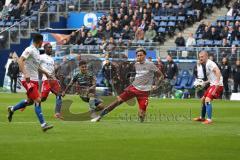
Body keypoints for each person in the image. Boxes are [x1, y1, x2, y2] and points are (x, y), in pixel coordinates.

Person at [91, 48, 163, 123]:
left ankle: (141, 123)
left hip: (144, 93)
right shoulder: (136, 64)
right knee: (117, 102)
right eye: (137, 55)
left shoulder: (150, 65)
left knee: (141, 115)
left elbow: (161, 76)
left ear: (145, 55)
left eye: (140, 55)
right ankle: (99, 116)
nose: (139, 57)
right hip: (133, 88)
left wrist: (156, 85)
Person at [7, 33, 53, 132]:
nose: (42, 43)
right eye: (42, 42)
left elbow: (38, 67)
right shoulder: (29, 49)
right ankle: (43, 124)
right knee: (38, 100)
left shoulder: (36, 52)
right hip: (28, 80)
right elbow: (20, 60)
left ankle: (12, 109)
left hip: (35, 80)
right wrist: (25, 73)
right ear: (40, 41)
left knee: (29, 102)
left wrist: (46, 73)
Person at [194, 51, 224, 124]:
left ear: (206, 56)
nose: (200, 58)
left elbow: (218, 72)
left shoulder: (210, 63)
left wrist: (217, 84)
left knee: (207, 99)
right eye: (199, 57)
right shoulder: (207, 64)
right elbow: (211, 78)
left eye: (202, 57)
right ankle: (202, 117)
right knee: (203, 99)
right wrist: (205, 82)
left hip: (217, 85)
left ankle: (209, 120)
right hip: (212, 84)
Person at [40, 43, 63, 119]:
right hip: (46, 80)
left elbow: (52, 71)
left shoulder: (51, 59)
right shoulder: (41, 57)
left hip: (53, 80)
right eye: (49, 47)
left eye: (51, 47)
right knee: (43, 98)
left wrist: (57, 76)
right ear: (45, 48)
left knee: (59, 94)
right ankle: (29, 101)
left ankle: (57, 113)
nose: (51, 49)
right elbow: (36, 66)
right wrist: (45, 73)